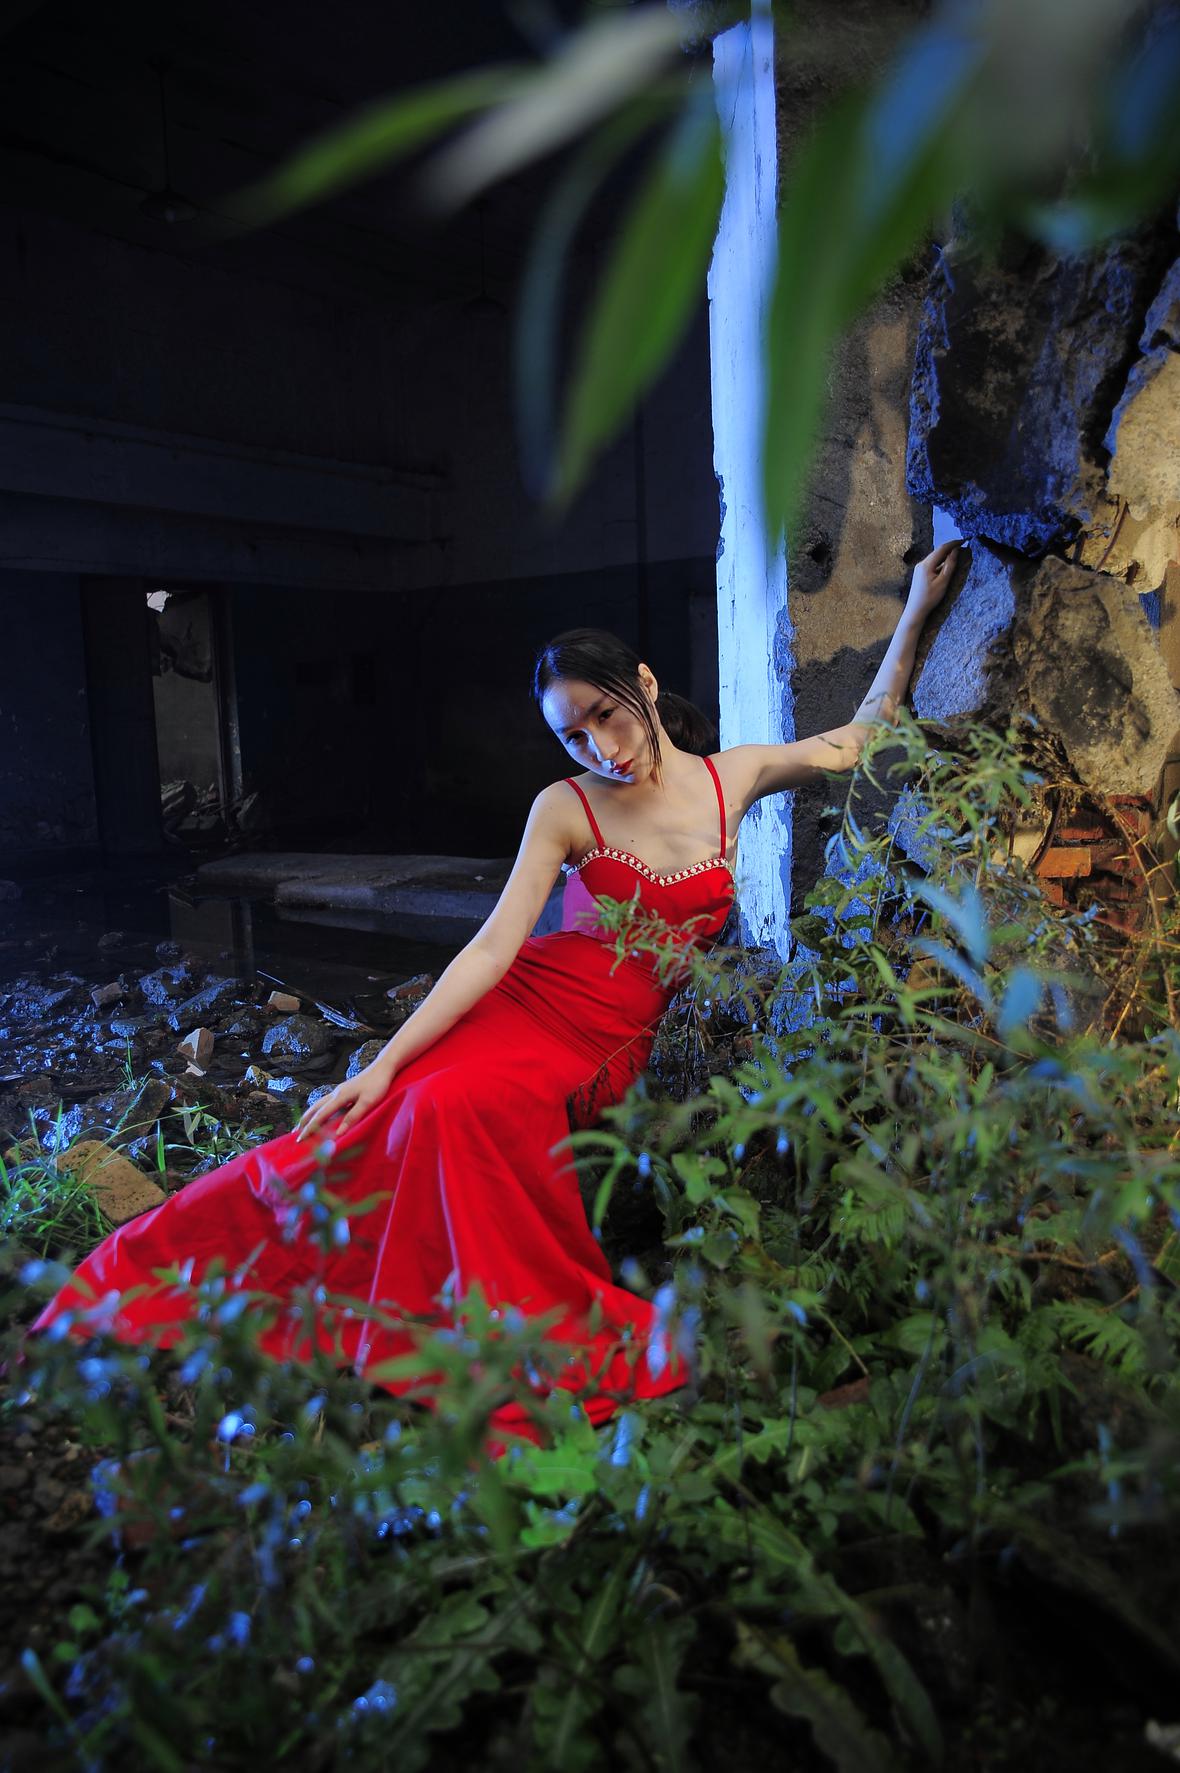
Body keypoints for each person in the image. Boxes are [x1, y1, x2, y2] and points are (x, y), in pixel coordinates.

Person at [26, 542, 960, 1448]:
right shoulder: (566, 805)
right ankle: (145, 1278)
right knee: (375, 1116)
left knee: (448, 1111)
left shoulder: (733, 779)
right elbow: (491, 945)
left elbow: (858, 736)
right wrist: (381, 1061)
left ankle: (457, 1321)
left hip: (603, 1037)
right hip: (524, 1000)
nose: (602, 746)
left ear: (643, 683)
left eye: (608, 715)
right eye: (573, 734)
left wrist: (916, 606)